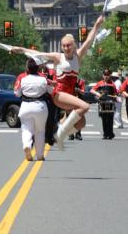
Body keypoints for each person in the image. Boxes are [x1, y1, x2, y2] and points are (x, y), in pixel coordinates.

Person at [10, 14, 104, 150]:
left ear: (74, 45)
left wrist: (97, 24)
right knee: (85, 107)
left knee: (81, 123)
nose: (66, 48)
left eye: (68, 45)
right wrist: (20, 49)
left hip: (71, 95)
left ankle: (59, 133)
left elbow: (89, 39)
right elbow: (37, 53)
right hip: (59, 94)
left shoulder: (78, 56)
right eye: (64, 46)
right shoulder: (58, 57)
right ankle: (60, 133)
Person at [14, 58, 53, 161]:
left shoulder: (23, 79)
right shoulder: (43, 79)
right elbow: (51, 91)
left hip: (26, 106)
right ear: (38, 68)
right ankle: (40, 155)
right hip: (40, 106)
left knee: (26, 129)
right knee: (40, 131)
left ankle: (27, 145)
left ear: (27, 68)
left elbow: (17, 93)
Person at [91, 69, 117, 140]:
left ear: (110, 76)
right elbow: (92, 90)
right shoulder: (100, 83)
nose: (106, 76)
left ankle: (110, 133)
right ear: (103, 75)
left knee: (110, 119)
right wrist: (98, 94)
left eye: (107, 75)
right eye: (105, 75)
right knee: (104, 119)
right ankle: (105, 134)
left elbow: (115, 93)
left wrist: (115, 97)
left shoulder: (112, 84)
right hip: (102, 102)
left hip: (110, 102)